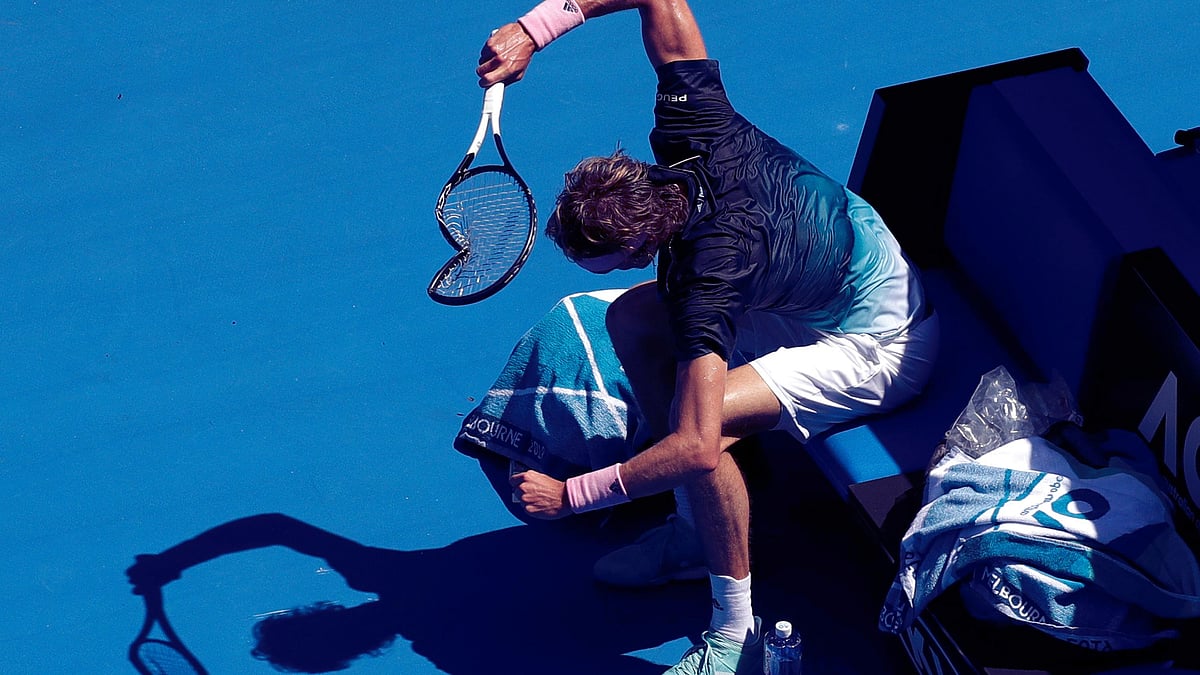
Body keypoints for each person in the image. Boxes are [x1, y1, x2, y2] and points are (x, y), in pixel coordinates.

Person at [477, 1, 939, 673]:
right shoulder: (692, 124)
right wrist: (535, 28)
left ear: (638, 246)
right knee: (629, 321)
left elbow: (692, 447)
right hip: (820, 276)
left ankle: (734, 632)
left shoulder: (705, 283)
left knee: (702, 430)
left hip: (882, 343)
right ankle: (700, 529)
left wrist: (572, 495)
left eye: (596, 258)